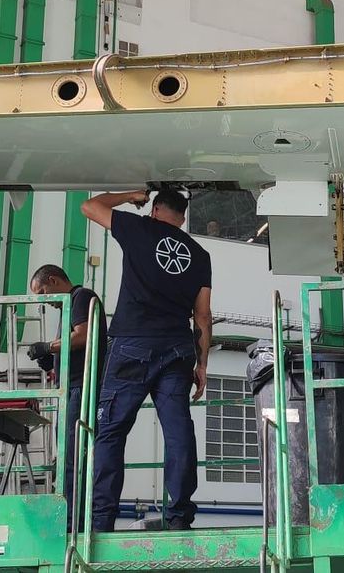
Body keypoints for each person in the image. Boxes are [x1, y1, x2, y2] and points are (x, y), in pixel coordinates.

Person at [81, 189, 212, 531]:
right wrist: (202, 365)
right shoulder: (199, 255)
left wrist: (129, 195)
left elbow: (89, 206)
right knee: (178, 429)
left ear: (155, 209)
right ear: (182, 217)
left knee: (111, 431)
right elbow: (202, 316)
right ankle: (179, 517)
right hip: (178, 350)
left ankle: (100, 521)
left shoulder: (138, 228)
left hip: (132, 345)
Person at [26, 264, 106, 528]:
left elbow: (83, 336)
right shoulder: (67, 307)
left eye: (43, 292)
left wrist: (48, 346)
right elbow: (73, 342)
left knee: (73, 454)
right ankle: (72, 516)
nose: (45, 300)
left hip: (80, 387)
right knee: (68, 454)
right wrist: (52, 362)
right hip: (72, 386)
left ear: (52, 280)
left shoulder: (80, 297)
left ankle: (73, 521)